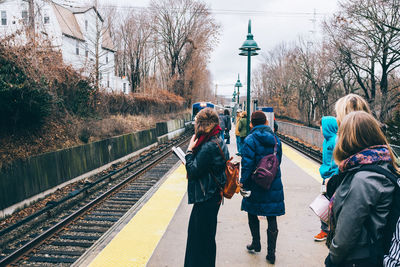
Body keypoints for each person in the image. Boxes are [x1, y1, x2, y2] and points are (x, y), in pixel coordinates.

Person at [325, 111, 398, 267]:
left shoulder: (363, 179)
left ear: (347, 139)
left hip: (357, 258)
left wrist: (332, 258)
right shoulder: (385, 165)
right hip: (374, 252)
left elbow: (347, 231)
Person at [184, 107, 229, 267]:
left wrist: (189, 152)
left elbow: (193, 170)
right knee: (207, 238)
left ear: (202, 125)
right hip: (213, 196)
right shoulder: (218, 140)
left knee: (198, 240)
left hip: (206, 198)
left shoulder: (209, 145)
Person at [240, 111, 285, 264]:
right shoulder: (275, 139)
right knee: (272, 216)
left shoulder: (250, 140)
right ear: (266, 122)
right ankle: (271, 254)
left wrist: (243, 183)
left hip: (254, 182)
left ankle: (256, 243)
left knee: (252, 212)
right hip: (272, 182)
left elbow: (247, 164)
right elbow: (278, 160)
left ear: (251, 123)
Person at [314, 116, 339, 242]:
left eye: (322, 126)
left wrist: (332, 176)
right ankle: (325, 230)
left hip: (332, 178)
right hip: (326, 177)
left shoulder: (335, 141)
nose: (320, 129)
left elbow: (336, 161)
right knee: (325, 203)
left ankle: (328, 231)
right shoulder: (327, 141)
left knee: (329, 204)